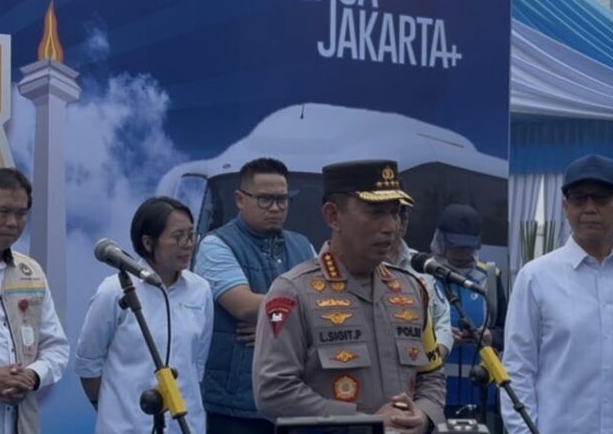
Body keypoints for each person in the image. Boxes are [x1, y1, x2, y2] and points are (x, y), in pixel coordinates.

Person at [252, 160, 446, 434]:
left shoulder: (412, 289)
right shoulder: (293, 292)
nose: (390, 226)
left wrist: (423, 415)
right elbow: (273, 391)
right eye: (375, 212)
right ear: (333, 216)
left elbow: (431, 374)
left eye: (395, 213)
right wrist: (362, 422)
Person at [501, 154, 613, 434]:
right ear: (565, 206)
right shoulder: (535, 278)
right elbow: (517, 371)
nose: (590, 208)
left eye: (602, 198)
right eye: (579, 198)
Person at [194, 157, 315, 434]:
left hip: (297, 399)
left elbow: (328, 306)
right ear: (240, 199)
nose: (275, 208)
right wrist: (302, 318)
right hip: (236, 403)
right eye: (265, 199)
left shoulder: (303, 245)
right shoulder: (216, 245)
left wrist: (272, 325)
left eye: (282, 199)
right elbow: (244, 306)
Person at [75, 196, 214, 433]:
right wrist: (114, 409)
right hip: (128, 426)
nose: (188, 244)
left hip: (185, 426)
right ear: (148, 243)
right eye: (178, 237)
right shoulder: (114, 291)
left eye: (191, 235)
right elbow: (88, 364)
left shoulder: (201, 290)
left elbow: (197, 364)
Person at [0, 168, 69, 434]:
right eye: (3, 211)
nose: (13, 222)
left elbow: (56, 346)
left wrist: (32, 376)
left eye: (21, 214)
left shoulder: (30, 271)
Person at [429, 203, 507, 429]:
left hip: (482, 396)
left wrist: (488, 336)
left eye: (468, 247)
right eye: (456, 246)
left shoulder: (490, 277)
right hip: (436, 395)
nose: (463, 253)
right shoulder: (425, 276)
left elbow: (509, 331)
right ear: (441, 241)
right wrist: (443, 338)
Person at [386, 197, 453, 359]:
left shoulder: (420, 264)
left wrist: (434, 358)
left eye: (405, 213)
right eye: (396, 213)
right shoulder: (364, 265)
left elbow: (442, 320)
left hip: (424, 367)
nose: (403, 219)